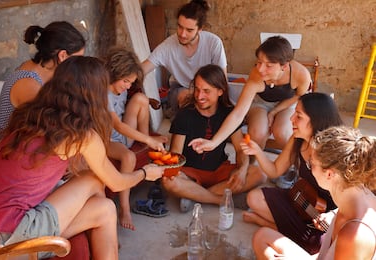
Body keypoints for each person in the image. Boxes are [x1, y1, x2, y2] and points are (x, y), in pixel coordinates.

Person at [0, 56, 165, 260]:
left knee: (105, 208)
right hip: (9, 240)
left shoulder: (29, 115)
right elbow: (115, 183)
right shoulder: (81, 135)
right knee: (95, 181)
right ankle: (104, 238)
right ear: (95, 94)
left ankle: (104, 237)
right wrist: (145, 173)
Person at [238, 92, 343, 253]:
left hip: (323, 217)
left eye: (298, 116)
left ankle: (269, 224)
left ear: (316, 120)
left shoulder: (336, 151)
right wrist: (257, 151)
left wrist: (333, 215)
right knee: (254, 198)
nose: (291, 119)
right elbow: (274, 171)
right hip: (301, 200)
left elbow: (354, 199)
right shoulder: (297, 139)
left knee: (316, 245)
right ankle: (285, 230)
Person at [252, 126, 376, 260]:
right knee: (262, 236)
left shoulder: (354, 235)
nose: (309, 169)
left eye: (311, 165)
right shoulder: (356, 196)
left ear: (329, 174)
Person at [161, 64, 266, 213]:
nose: (199, 96)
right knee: (168, 181)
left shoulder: (228, 113)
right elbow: (176, 154)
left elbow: (239, 148)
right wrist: (169, 165)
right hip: (190, 172)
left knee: (258, 174)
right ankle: (219, 199)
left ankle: (194, 195)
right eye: (197, 89)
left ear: (220, 91)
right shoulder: (184, 114)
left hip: (219, 171)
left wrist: (242, 170)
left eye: (206, 91)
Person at [189, 36, 311, 152]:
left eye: (268, 65)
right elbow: (238, 113)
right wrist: (214, 142)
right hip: (260, 103)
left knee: (283, 132)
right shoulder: (256, 75)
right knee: (258, 133)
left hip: (286, 103)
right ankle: (253, 166)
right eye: (259, 62)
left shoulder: (301, 75)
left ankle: (295, 166)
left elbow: (298, 96)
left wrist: (275, 112)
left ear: (284, 66)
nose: (261, 69)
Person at [104, 47, 168, 230]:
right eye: (125, 81)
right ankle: (124, 209)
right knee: (128, 157)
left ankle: (145, 138)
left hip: (124, 135)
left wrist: (150, 102)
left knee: (141, 98)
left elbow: (132, 100)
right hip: (107, 138)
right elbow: (117, 125)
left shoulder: (123, 86)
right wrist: (149, 141)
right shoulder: (102, 92)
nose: (128, 86)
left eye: (131, 82)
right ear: (114, 73)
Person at [141, 0, 227, 114]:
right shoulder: (168, 46)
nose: (182, 34)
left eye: (189, 30)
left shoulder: (214, 43)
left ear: (200, 29)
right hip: (180, 89)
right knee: (188, 97)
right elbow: (142, 69)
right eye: (180, 27)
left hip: (207, 90)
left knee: (207, 100)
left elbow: (222, 79)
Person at [0, 21, 85, 131]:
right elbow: (49, 125)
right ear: (62, 55)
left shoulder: (49, 71)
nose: (78, 65)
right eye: (77, 59)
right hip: (16, 144)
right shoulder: (29, 83)